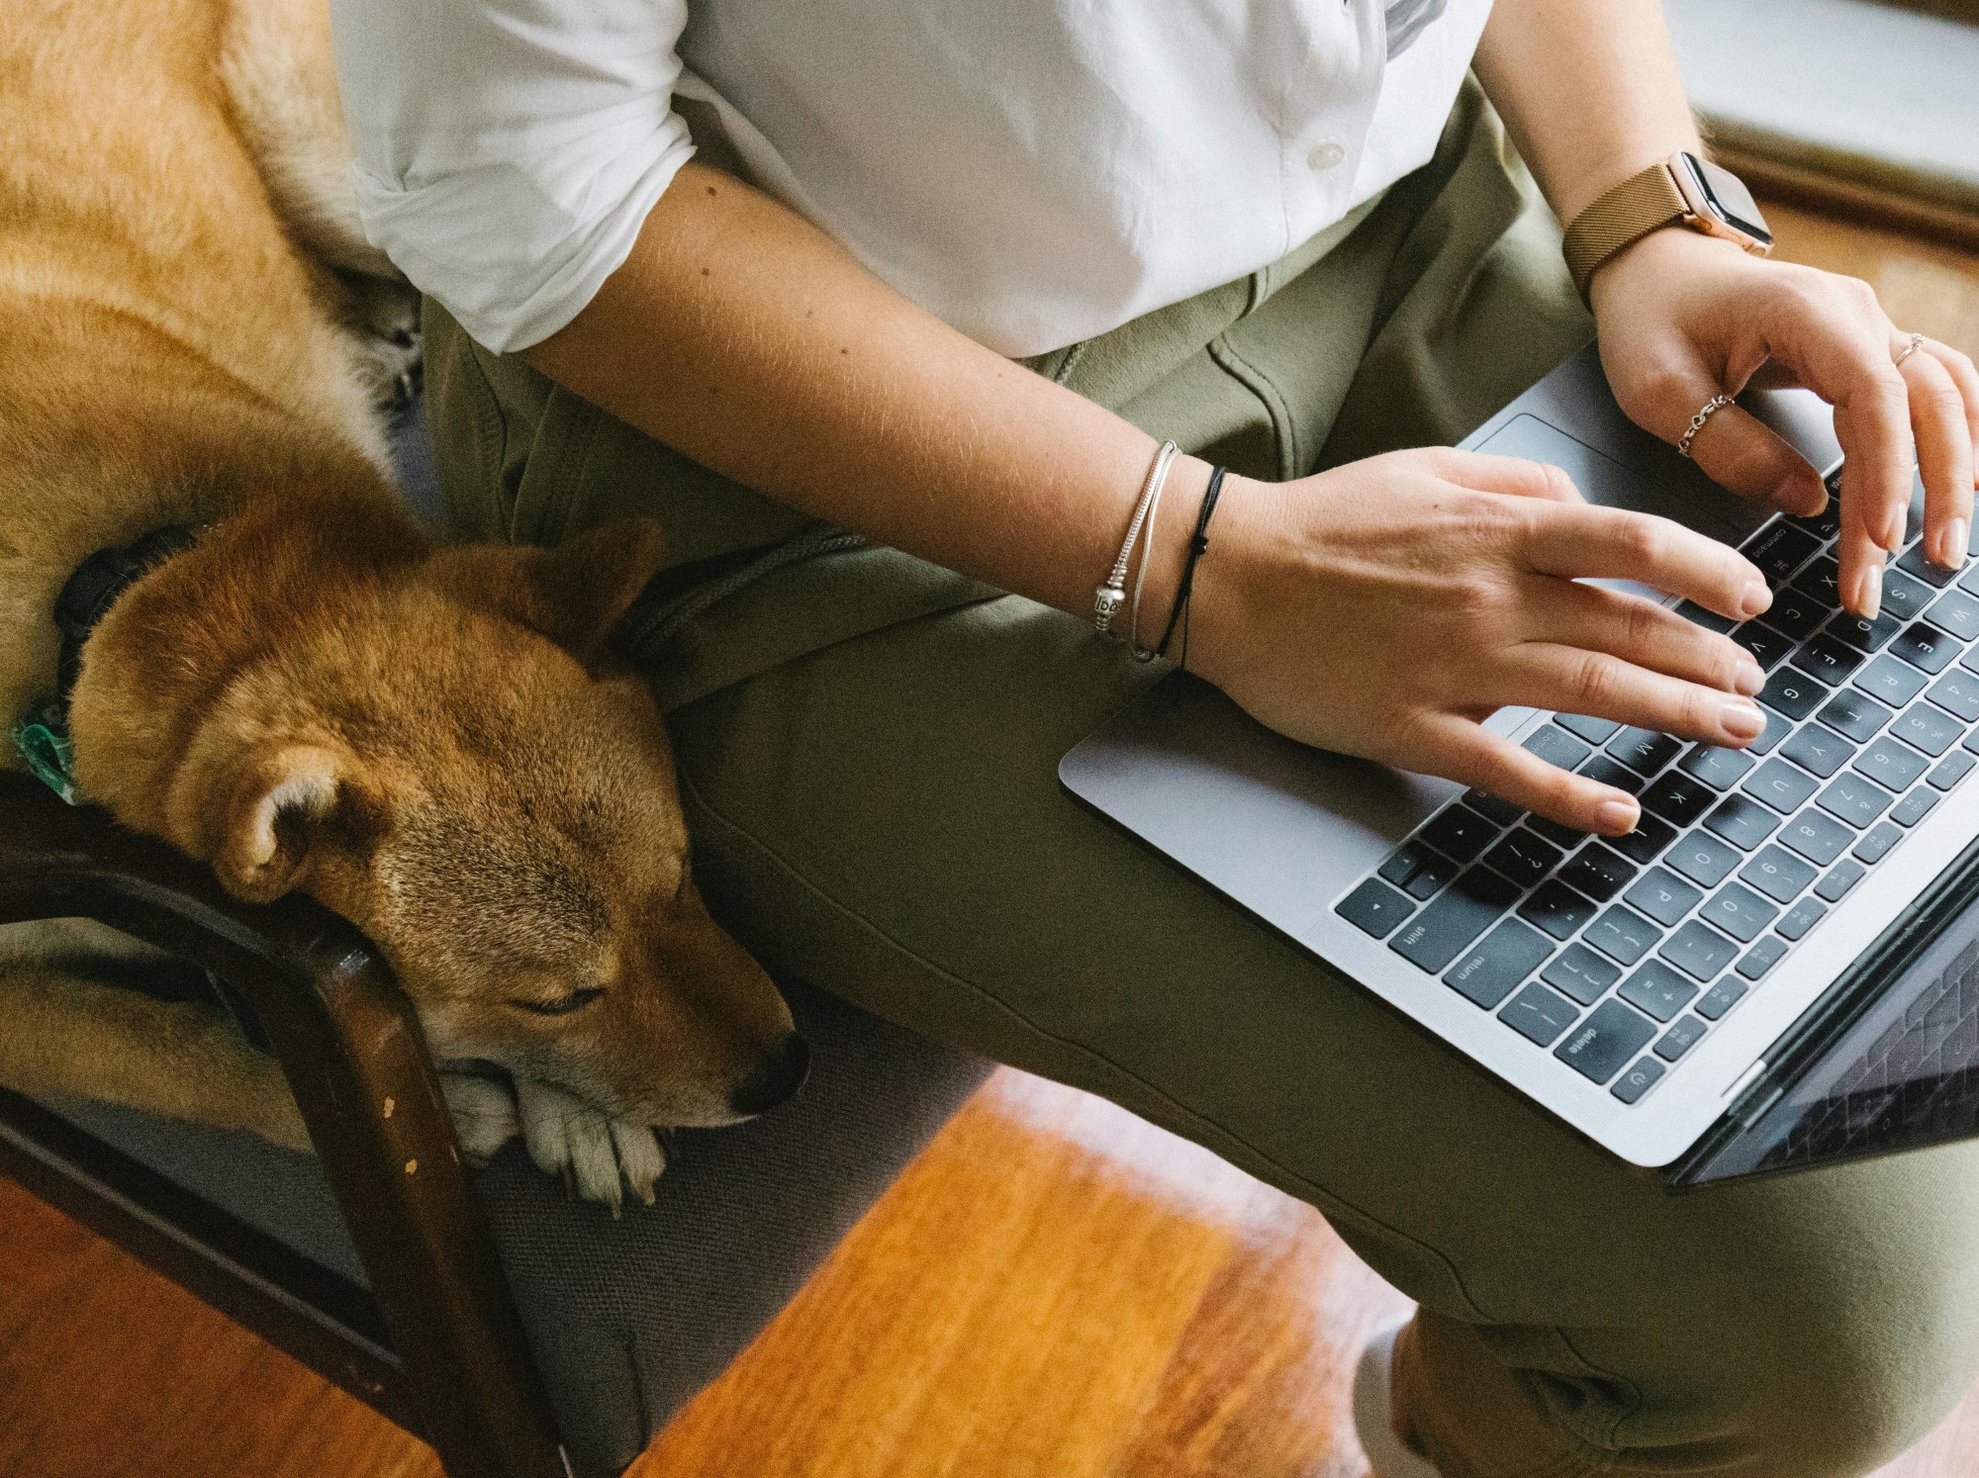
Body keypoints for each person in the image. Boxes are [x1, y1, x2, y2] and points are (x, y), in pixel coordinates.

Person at [328, 0, 1979, 1472]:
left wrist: (1654, 219)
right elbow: (525, 178)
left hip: (1406, 217)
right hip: (828, 472)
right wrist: (1215, 569)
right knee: (1820, 1327)